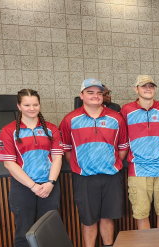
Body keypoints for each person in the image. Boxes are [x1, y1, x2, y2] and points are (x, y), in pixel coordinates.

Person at [60, 78, 128, 247]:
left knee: (107, 216)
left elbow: (123, 146)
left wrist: (110, 163)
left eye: (99, 93)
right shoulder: (70, 119)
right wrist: (80, 165)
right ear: (81, 95)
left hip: (111, 176)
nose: (95, 96)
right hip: (84, 177)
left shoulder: (116, 118)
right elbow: (67, 149)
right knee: (88, 220)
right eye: (90, 92)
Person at [0, 89, 63, 247]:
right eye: (27, 105)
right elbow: (9, 163)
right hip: (23, 187)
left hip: (49, 186)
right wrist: (33, 186)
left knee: (50, 230)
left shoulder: (51, 129)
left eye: (35, 104)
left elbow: (57, 158)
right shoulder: (8, 131)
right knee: (23, 232)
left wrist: (50, 183)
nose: (32, 108)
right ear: (18, 106)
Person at [120, 75, 159, 230]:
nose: (148, 89)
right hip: (138, 169)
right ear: (136, 89)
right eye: (143, 86)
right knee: (141, 214)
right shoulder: (126, 110)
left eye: (151, 86)